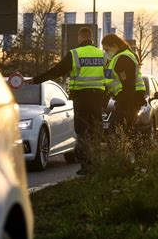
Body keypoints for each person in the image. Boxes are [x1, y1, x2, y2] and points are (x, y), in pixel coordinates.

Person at [24, 27, 105, 175]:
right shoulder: (102, 55)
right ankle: (97, 164)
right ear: (91, 38)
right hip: (97, 99)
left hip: (81, 98)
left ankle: (87, 166)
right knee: (96, 131)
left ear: (80, 38)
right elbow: (109, 76)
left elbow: (57, 71)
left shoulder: (74, 54)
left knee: (82, 131)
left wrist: (36, 80)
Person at [102, 34, 146, 134]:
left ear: (114, 46)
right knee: (127, 127)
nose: (105, 53)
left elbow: (128, 82)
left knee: (123, 127)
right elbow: (108, 79)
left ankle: (130, 147)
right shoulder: (117, 57)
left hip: (129, 98)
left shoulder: (123, 58)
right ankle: (130, 147)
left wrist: (125, 101)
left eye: (107, 50)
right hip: (126, 97)